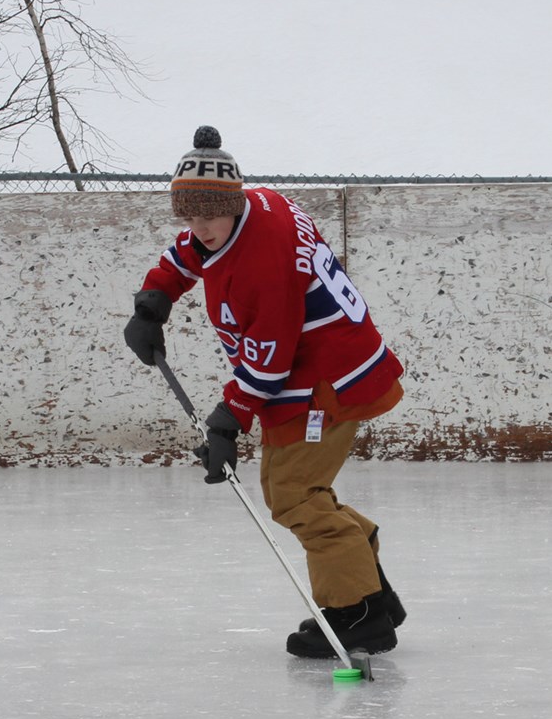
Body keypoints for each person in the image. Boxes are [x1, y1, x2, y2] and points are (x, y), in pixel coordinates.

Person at [124, 126, 406, 659]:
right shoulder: (250, 206)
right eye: (189, 214)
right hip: (320, 369)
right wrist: (154, 298)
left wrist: (227, 419)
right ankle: (368, 589)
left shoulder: (263, 263)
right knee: (294, 490)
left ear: (232, 203)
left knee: (294, 493)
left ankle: (358, 614)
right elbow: (194, 248)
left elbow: (269, 356)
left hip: (328, 380)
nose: (199, 227)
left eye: (208, 214)